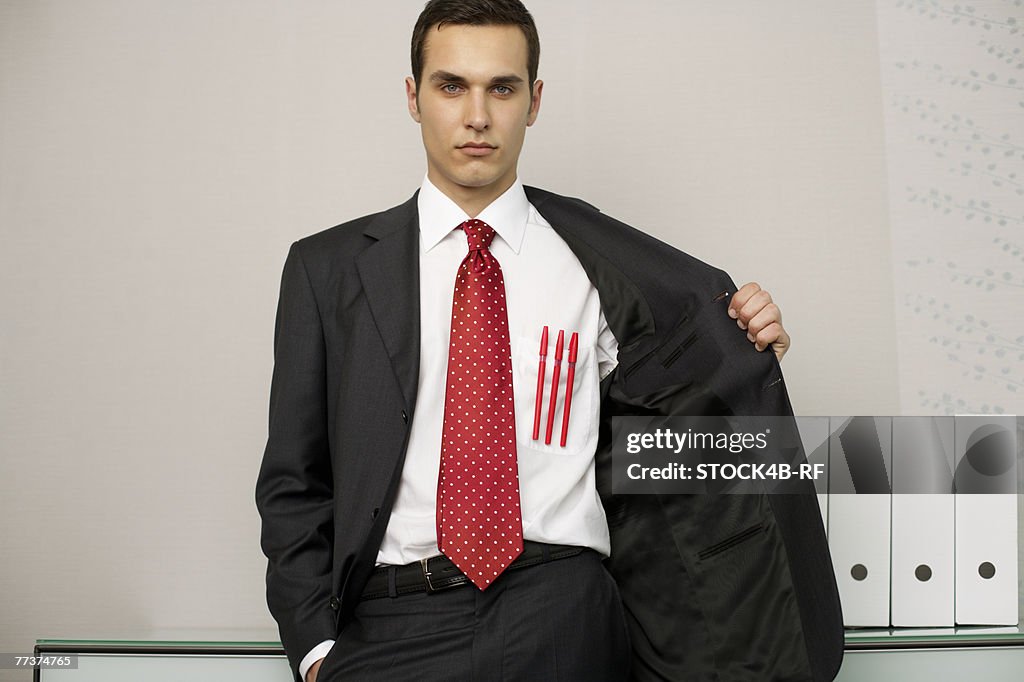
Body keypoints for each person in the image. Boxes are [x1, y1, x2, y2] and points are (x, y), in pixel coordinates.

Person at [256, 2, 843, 681]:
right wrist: (317, 650)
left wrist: (741, 344)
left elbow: (669, 446)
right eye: (452, 86)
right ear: (414, 98)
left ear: (533, 101)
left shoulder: (601, 260)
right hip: (391, 623)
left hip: (560, 610)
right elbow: (295, 482)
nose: (477, 115)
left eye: (501, 88)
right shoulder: (326, 270)